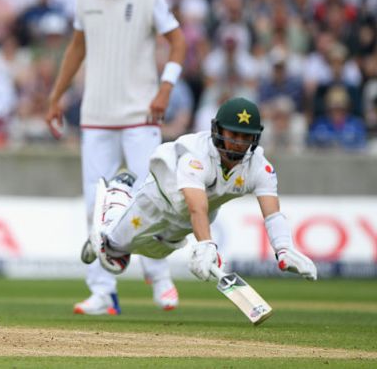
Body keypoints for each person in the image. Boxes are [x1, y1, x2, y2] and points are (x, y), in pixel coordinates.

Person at [45, 0, 186, 315]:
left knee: (151, 195)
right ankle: (102, 292)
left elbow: (178, 42)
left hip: (141, 113)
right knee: (96, 203)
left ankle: (159, 276)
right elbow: (77, 47)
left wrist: (166, 89)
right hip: (96, 116)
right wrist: (56, 96)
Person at [82, 97, 317, 290]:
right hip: (160, 200)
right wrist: (206, 244)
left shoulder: (259, 167)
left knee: (157, 253)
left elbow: (272, 213)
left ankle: (116, 231)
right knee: (114, 248)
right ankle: (119, 192)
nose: (238, 143)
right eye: (233, 134)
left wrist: (284, 249)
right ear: (217, 130)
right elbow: (197, 207)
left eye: (246, 137)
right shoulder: (196, 155)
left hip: (191, 217)